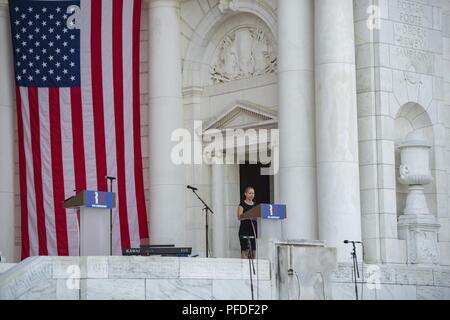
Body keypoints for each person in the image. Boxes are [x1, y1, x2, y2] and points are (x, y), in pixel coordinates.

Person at [237, 186, 257, 259]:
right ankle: (244, 268)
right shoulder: (242, 204)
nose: (251, 195)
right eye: (250, 193)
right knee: (245, 250)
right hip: (244, 229)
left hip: (253, 229)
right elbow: (239, 217)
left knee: (254, 250)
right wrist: (249, 216)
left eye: (253, 193)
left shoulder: (255, 205)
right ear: (245, 194)